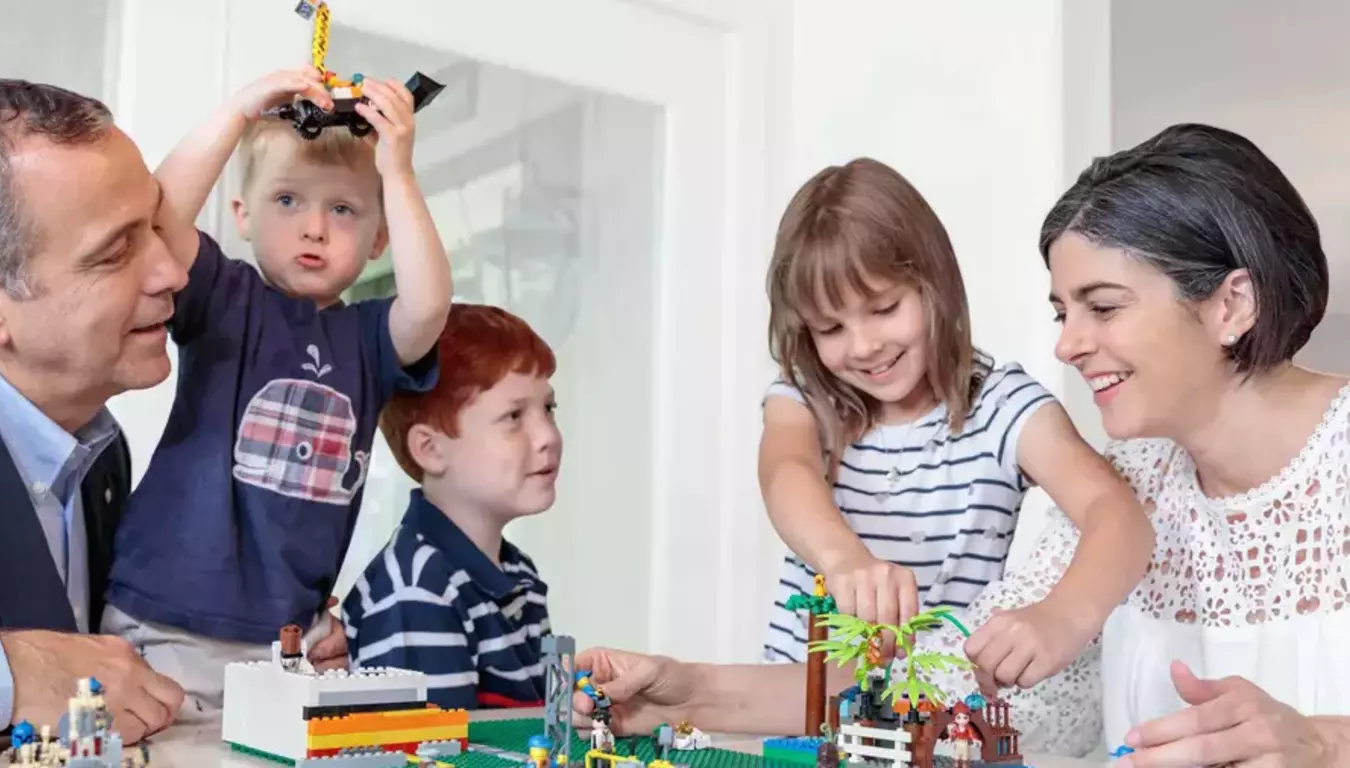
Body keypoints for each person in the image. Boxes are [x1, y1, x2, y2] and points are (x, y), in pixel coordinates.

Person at [569, 124, 1350, 768]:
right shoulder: (1131, 485)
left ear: (1232, 304)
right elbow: (934, 682)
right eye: (1061, 313)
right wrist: (688, 690)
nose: (1070, 347)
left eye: (1102, 307)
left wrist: (1322, 742)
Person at [99, 66, 452, 716]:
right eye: (288, 200)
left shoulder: (370, 338)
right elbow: (154, 218)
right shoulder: (225, 297)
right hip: (165, 624)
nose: (314, 227)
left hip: (290, 640)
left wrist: (397, 171)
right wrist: (237, 111)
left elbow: (429, 306)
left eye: (342, 208)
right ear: (244, 217)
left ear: (379, 239)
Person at [759, 157, 1154, 694]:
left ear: (934, 285)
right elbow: (786, 473)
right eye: (830, 327)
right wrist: (845, 560)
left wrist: (1061, 618)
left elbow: (1118, 516)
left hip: (925, 715)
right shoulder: (805, 396)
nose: (863, 345)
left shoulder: (1001, 406)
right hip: (788, 704)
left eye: (883, 308)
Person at [0, 78, 186, 741]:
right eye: (118, 249)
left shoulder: (101, 454)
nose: (171, 272)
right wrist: (10, 676)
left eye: (156, 226)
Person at [342, 303, 557, 709]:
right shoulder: (417, 590)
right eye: (514, 416)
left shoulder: (519, 573)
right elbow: (434, 755)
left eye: (549, 409)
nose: (547, 435)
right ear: (430, 449)